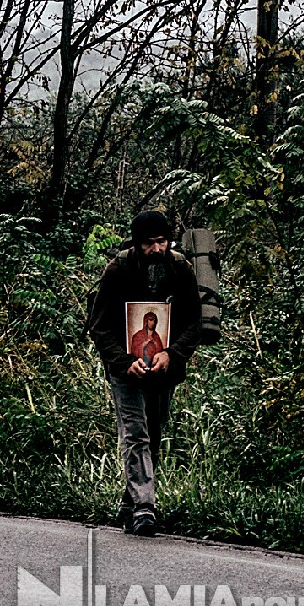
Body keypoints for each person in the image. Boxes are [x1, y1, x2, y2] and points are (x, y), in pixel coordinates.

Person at [88, 209, 203, 536]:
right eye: (149, 243)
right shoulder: (118, 270)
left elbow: (195, 323)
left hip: (164, 368)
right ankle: (144, 508)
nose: (156, 248)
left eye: (162, 241)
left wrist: (172, 353)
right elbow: (99, 326)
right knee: (135, 432)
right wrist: (125, 362)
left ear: (170, 240)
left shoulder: (181, 270)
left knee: (152, 433)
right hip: (125, 369)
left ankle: (131, 501)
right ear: (138, 244)